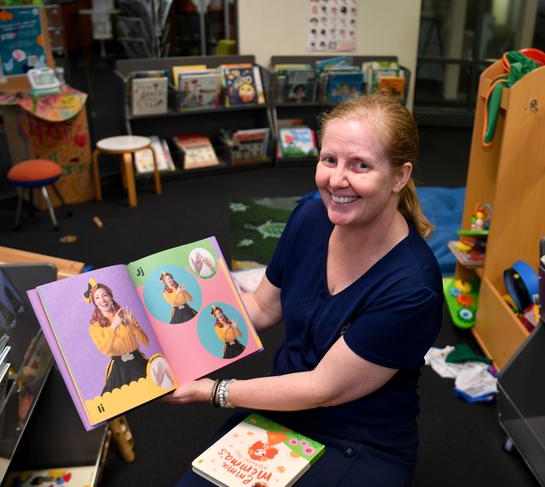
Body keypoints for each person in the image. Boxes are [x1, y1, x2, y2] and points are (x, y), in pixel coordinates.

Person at [167, 95, 443, 486]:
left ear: (399, 176)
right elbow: (262, 307)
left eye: (360, 165)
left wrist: (213, 391)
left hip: (358, 438)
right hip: (281, 405)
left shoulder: (413, 287)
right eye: (329, 159)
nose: (336, 180)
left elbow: (322, 388)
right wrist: (176, 343)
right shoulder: (310, 218)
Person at [85, 280, 150, 394]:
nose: (102, 300)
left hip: (139, 361)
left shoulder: (125, 314)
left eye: (105, 295)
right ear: (95, 302)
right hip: (120, 368)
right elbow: (105, 350)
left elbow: (146, 342)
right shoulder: (94, 327)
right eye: (97, 298)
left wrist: (133, 326)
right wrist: (113, 326)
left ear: (110, 297)